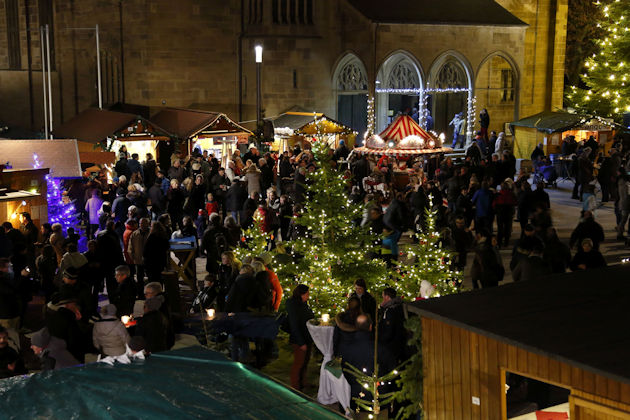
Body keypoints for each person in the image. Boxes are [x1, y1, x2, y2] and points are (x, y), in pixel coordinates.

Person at [286, 284, 314, 391]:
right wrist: (301, 342)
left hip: (307, 337)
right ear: (301, 294)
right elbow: (295, 326)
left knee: (305, 362)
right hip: (299, 339)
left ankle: (303, 382)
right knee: (299, 363)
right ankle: (295, 386)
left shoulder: (304, 304)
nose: (308, 296)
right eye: (307, 294)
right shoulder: (294, 306)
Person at [378, 287, 407, 364]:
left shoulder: (390, 311)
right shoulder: (400, 305)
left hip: (392, 345)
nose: (382, 299)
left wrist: (380, 340)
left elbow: (388, 330)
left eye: (383, 297)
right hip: (401, 342)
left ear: (387, 297)